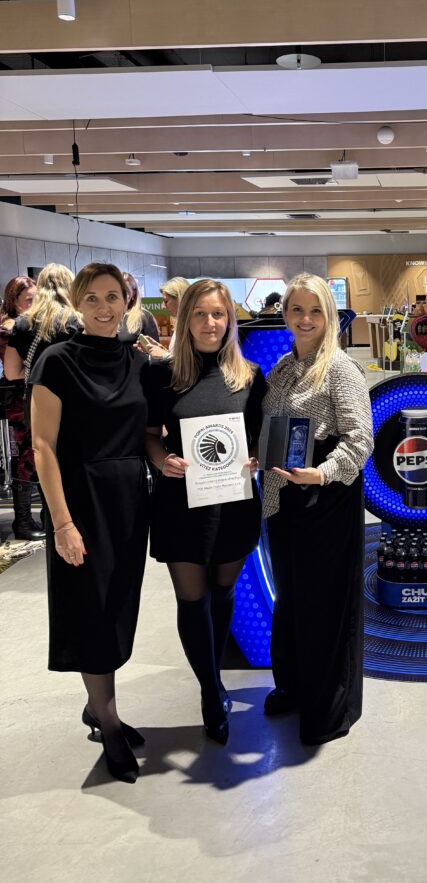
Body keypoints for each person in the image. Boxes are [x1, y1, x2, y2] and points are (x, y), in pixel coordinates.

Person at [30, 263, 152, 784]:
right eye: (93, 298)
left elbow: (148, 431)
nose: (104, 308)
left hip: (130, 504)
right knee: (92, 614)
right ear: (77, 303)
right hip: (81, 502)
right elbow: (43, 446)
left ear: (127, 301)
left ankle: (97, 705)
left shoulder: (137, 359)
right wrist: (62, 523)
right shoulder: (56, 361)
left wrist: (165, 458)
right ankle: (108, 721)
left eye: (113, 297)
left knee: (118, 610)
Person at [144, 280, 266, 745]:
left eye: (218, 314)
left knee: (223, 593)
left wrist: (257, 457)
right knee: (192, 600)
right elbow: (148, 435)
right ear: (185, 319)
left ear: (230, 319)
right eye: (200, 314)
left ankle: (212, 677)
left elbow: (261, 436)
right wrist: (161, 461)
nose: (210, 323)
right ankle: (211, 692)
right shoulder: (162, 375)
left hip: (234, 502)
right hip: (181, 505)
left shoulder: (249, 376)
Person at [262, 272, 373, 746]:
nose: (305, 319)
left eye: (315, 311)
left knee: (325, 605)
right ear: (285, 314)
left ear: (329, 316)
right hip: (282, 500)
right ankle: (293, 685)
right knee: (291, 598)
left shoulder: (341, 369)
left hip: (325, 500)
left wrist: (322, 474)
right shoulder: (282, 367)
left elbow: (360, 439)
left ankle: (328, 706)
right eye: (297, 310)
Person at [4, 265, 80, 541]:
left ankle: (52, 523)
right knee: (75, 466)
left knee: (43, 460)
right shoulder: (78, 321)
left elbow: (11, 372)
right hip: (76, 404)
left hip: (36, 403)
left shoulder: (23, 324)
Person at [0, 277, 36, 514]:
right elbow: (13, 370)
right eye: (29, 299)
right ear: (14, 301)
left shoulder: (24, 325)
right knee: (26, 455)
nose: (35, 304)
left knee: (30, 453)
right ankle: (23, 519)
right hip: (19, 400)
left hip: (25, 396)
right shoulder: (10, 328)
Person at [142, 276, 189, 360]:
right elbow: (177, 356)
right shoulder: (181, 324)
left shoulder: (192, 326)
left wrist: (165, 355)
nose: (163, 306)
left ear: (179, 299)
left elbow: (189, 362)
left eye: (166, 301)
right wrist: (159, 349)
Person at [118, 272, 160, 347]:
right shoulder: (107, 316)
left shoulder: (144, 316)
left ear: (133, 292)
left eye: (125, 289)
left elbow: (155, 350)